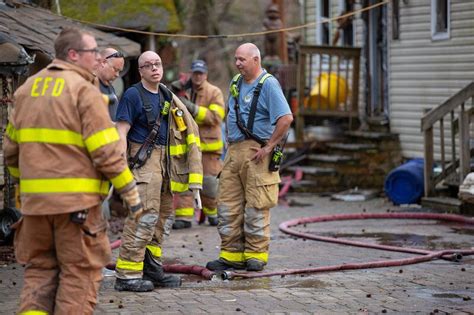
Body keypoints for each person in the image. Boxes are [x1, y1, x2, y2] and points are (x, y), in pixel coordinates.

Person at [4, 27, 143, 314]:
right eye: (93, 52)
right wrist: (131, 194)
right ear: (73, 54)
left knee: (39, 273)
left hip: (35, 209)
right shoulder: (84, 91)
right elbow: (106, 152)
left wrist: (23, 194)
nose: (97, 59)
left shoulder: (26, 90)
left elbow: (11, 153)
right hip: (76, 208)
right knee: (79, 274)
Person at [114, 51, 203, 292]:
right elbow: (121, 131)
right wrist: (120, 168)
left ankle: (152, 268)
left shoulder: (167, 95)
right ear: (140, 71)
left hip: (166, 166)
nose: (154, 68)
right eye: (148, 65)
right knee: (143, 217)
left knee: (162, 219)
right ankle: (127, 274)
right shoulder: (133, 95)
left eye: (158, 64)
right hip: (144, 164)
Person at [206, 43, 293, 272]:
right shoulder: (236, 82)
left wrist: (269, 146)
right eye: (236, 59)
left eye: (242, 59)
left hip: (257, 153)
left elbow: (286, 118)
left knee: (256, 205)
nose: (237, 63)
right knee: (227, 205)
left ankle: (256, 254)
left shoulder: (269, 84)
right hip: (234, 153)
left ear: (256, 60)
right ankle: (231, 254)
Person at [170, 60, 225, 229]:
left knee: (208, 184)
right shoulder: (185, 89)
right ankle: (184, 218)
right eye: (195, 73)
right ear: (191, 74)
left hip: (208, 148)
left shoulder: (214, 92)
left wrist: (193, 109)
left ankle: (213, 214)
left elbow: (216, 117)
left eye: (201, 73)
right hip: (188, 145)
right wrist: (174, 88)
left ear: (206, 75)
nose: (198, 76)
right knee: (185, 181)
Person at [96, 47, 124, 121]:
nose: (117, 75)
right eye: (115, 69)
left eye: (119, 71)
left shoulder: (111, 89)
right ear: (103, 63)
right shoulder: (89, 85)